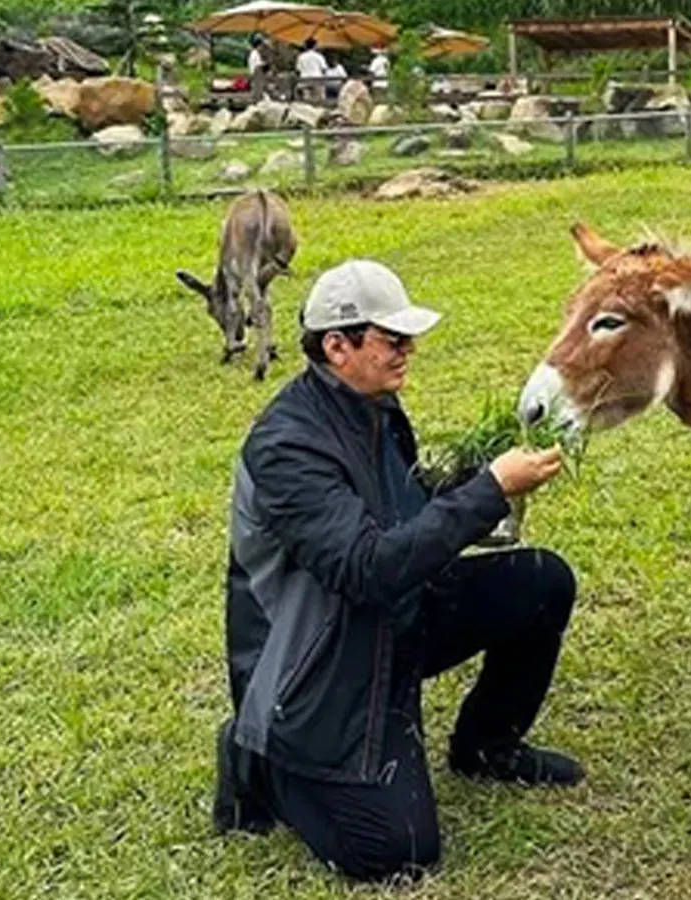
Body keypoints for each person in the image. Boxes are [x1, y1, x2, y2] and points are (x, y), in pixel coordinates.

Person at [213, 259, 583, 882]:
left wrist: (469, 477)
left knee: (543, 580)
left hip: (391, 615)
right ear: (337, 345)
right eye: (393, 339)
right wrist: (489, 489)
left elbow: (400, 513)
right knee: (397, 853)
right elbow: (367, 568)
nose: (409, 350)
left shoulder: (374, 406)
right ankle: (266, 761)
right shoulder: (287, 446)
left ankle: (486, 746)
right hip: (324, 661)